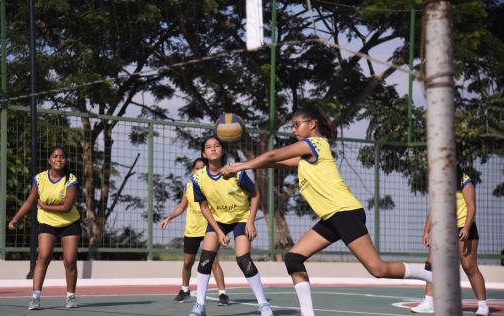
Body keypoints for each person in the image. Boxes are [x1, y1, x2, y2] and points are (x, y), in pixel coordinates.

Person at [221, 106, 432, 316]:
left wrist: (240, 166)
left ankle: (433, 277)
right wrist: (243, 166)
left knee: (378, 269)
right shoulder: (307, 155)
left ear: (312, 125)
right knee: (293, 258)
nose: (293, 130)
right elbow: (274, 162)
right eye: (292, 126)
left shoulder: (314, 144)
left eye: (297, 125)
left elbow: (273, 154)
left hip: (344, 213)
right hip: (332, 217)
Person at [188, 136, 273, 316]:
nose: (213, 149)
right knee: (206, 258)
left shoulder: (236, 172)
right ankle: (199, 305)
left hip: (241, 218)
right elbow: (203, 206)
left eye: (217, 146)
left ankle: (264, 304)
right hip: (218, 220)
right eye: (208, 147)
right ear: (203, 153)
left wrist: (250, 221)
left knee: (244, 260)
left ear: (223, 150)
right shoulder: (198, 179)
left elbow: (255, 194)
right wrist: (218, 231)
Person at [8, 147, 81, 310]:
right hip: (47, 223)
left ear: (66, 160)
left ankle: (71, 297)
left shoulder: (71, 179)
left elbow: (67, 207)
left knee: (69, 260)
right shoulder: (40, 179)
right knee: (43, 256)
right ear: (49, 160)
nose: (58, 159)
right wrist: (16, 218)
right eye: (55, 156)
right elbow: (29, 201)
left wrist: (45, 206)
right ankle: (35, 298)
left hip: (69, 223)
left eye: (62, 157)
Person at [411, 165, 489, 315]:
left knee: (469, 267)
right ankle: (428, 302)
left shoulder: (465, 181)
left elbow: (471, 206)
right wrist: (427, 230)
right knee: (431, 263)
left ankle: (483, 305)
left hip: (464, 228)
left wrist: (466, 228)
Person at [159, 158, 230, 305]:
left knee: (213, 262)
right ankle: (184, 290)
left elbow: (221, 207)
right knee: (187, 263)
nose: (199, 171)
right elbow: (181, 207)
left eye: (202, 168)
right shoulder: (189, 186)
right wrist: (169, 218)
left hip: (209, 228)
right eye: (196, 168)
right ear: (193, 171)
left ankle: (222, 294)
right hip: (192, 229)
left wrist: (223, 228)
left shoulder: (213, 184)